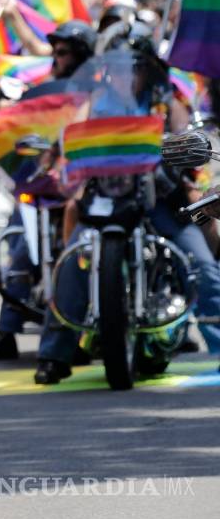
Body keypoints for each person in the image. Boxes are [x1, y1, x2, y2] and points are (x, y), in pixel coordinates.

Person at [33, 26, 220, 383]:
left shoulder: (164, 98)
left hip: (158, 196)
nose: (125, 72)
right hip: (107, 196)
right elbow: (70, 133)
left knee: (201, 265)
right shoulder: (95, 100)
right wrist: (61, 154)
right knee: (71, 263)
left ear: (148, 67)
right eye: (117, 65)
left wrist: (184, 143)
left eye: (133, 65)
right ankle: (54, 355)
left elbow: (188, 133)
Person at [0, 20, 98, 361]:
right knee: (18, 246)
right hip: (45, 184)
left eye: (65, 52)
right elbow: (21, 123)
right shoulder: (46, 93)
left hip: (84, 182)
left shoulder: (99, 93)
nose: (58, 58)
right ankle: (6, 332)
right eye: (56, 52)